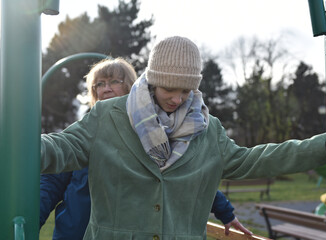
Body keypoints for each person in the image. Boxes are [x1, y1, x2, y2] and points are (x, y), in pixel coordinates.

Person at [40, 36, 326, 239]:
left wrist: (324, 146)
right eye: (169, 89)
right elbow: (63, 147)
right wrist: (16, 145)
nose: (177, 99)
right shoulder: (107, 116)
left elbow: (253, 160)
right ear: (153, 81)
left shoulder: (207, 128)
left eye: (186, 91)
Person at [39, 57, 242, 239]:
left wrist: (226, 213)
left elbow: (186, 177)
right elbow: (50, 184)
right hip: (74, 233)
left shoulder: (154, 136)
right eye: (99, 84)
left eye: (113, 82)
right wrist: (28, 221)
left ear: (131, 88)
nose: (105, 88)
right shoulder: (84, 133)